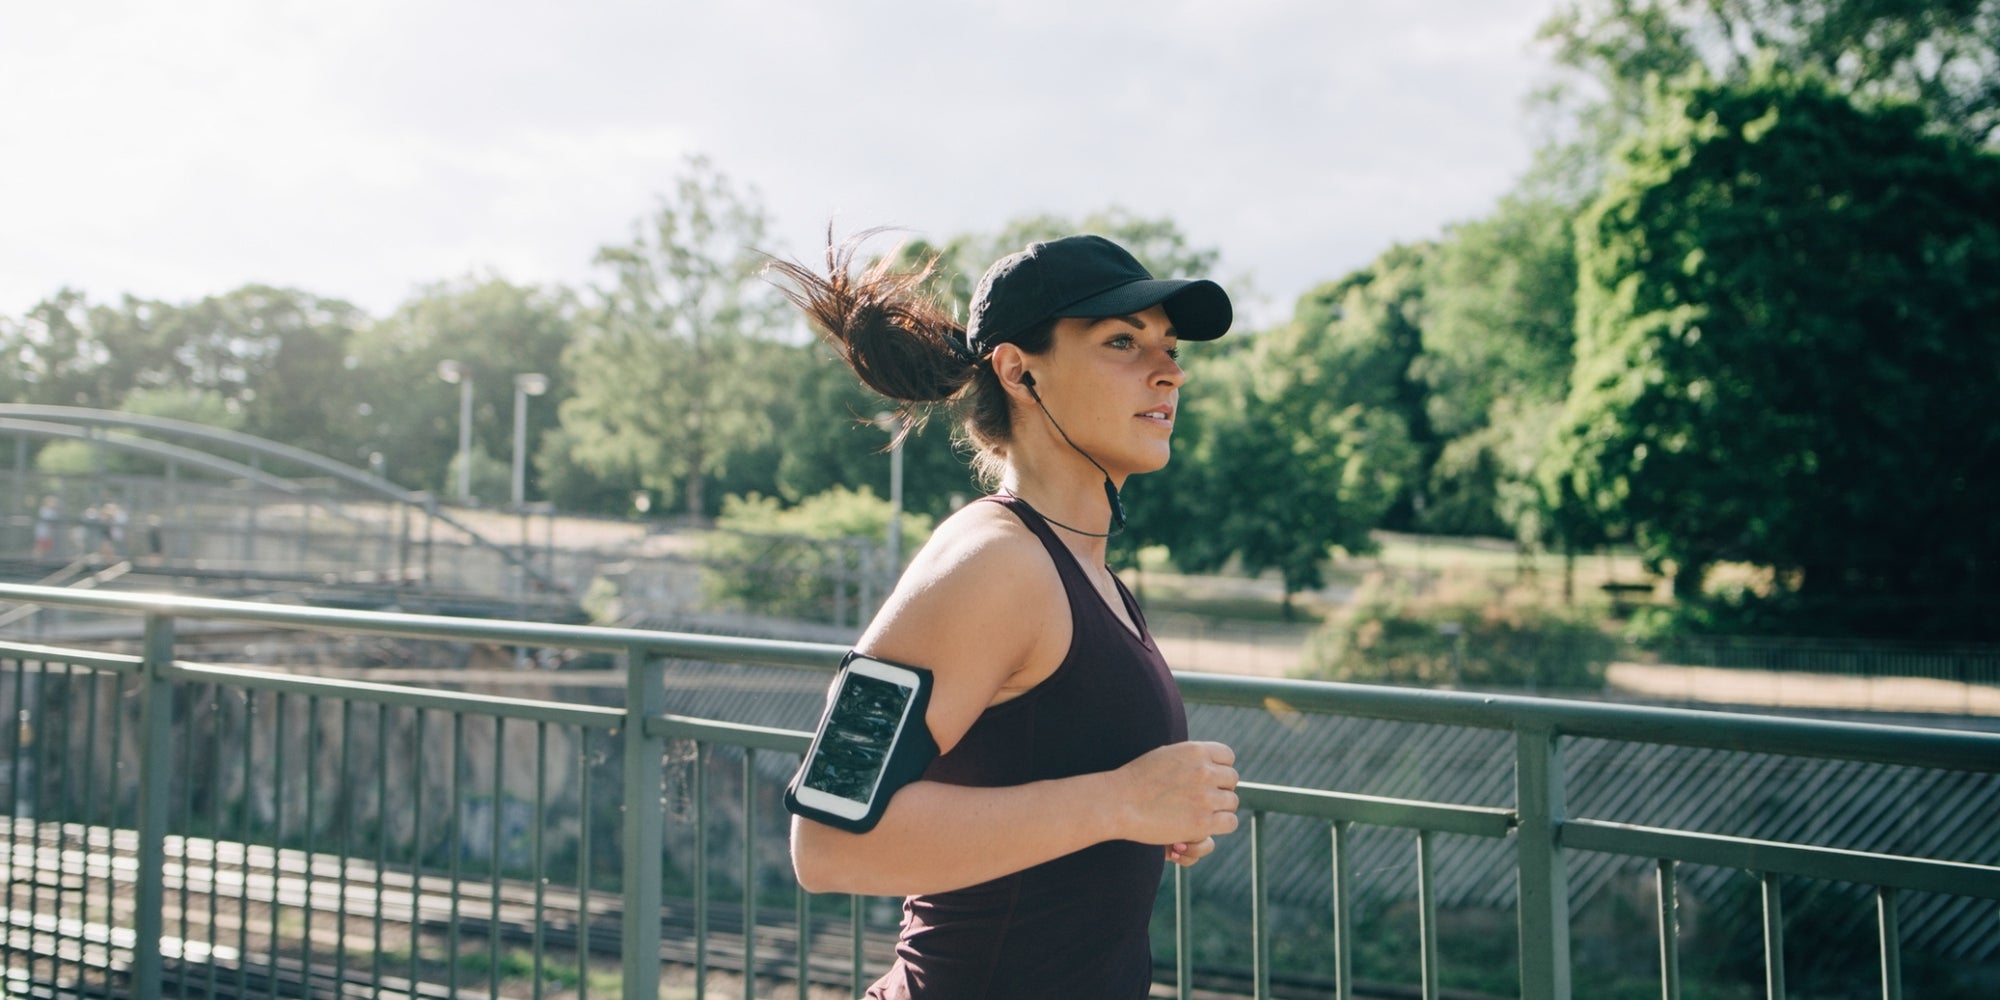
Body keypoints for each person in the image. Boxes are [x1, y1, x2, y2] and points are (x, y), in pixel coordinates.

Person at [768, 232, 1242, 999]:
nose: (1169, 370)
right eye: (1123, 341)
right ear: (1020, 373)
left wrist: (1140, 814)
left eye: (1171, 345)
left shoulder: (1087, 569)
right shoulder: (989, 564)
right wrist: (1117, 802)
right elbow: (826, 841)